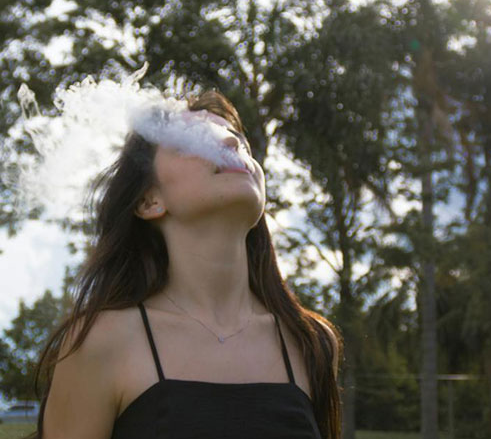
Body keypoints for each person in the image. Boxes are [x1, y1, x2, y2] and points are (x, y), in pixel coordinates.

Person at [29, 91, 342, 439]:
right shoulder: (102, 342)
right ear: (150, 201)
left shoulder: (309, 342)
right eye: (195, 139)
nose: (229, 142)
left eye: (239, 140)